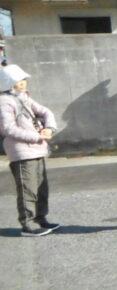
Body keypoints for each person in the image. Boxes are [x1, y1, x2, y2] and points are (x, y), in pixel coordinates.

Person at [0, 64, 60, 237]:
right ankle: (27, 223)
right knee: (28, 188)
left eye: (24, 80)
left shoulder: (24, 97)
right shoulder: (4, 101)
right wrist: (36, 137)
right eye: (19, 80)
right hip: (21, 151)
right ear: (9, 83)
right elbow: (7, 129)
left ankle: (41, 218)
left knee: (41, 187)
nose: (23, 83)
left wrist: (49, 128)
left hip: (37, 149)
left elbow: (45, 111)